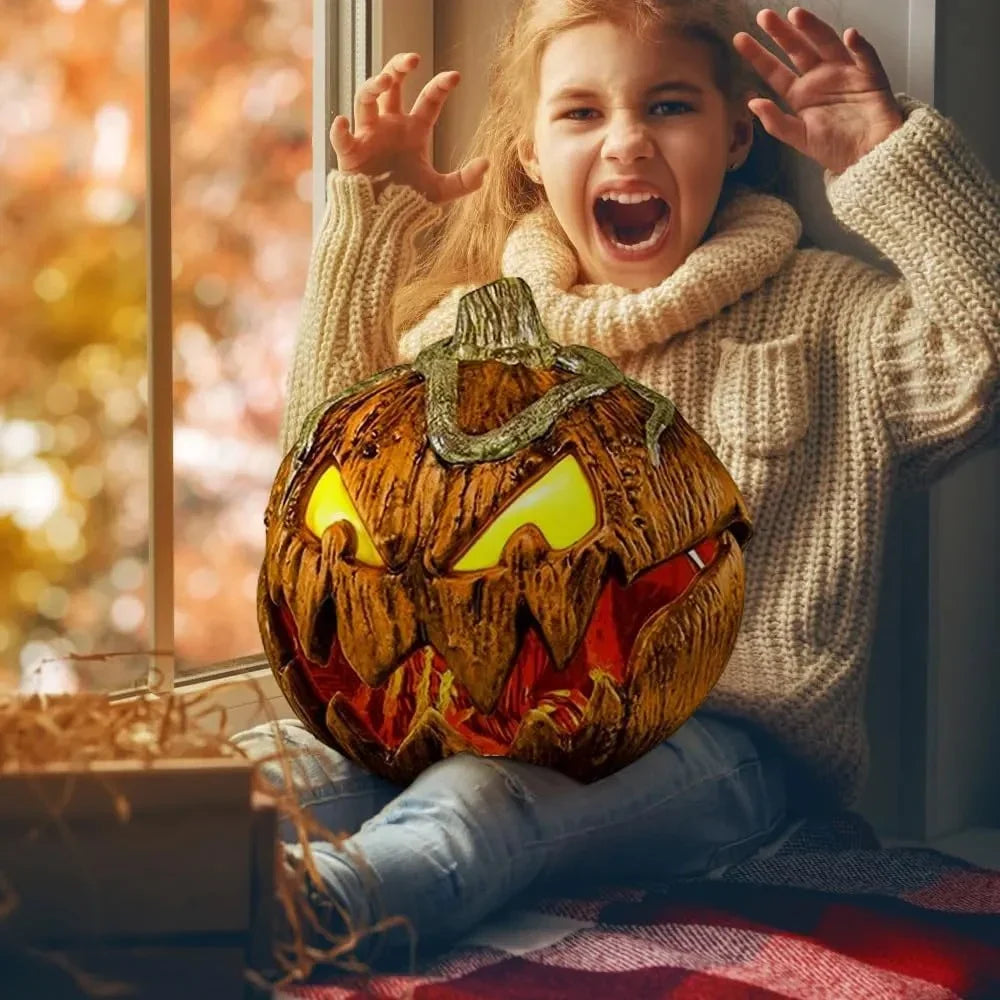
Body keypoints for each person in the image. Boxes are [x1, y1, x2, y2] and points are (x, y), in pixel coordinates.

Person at [234, 0, 1000, 969]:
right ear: (525, 153)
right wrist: (369, 218)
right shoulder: (480, 335)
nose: (628, 143)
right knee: (266, 766)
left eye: (668, 106)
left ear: (732, 138)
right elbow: (326, 486)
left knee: (481, 804)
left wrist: (887, 162)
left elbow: (989, 354)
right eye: (581, 113)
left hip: (726, 748)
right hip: (474, 715)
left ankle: (263, 936)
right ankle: (79, 881)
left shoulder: (831, 319)